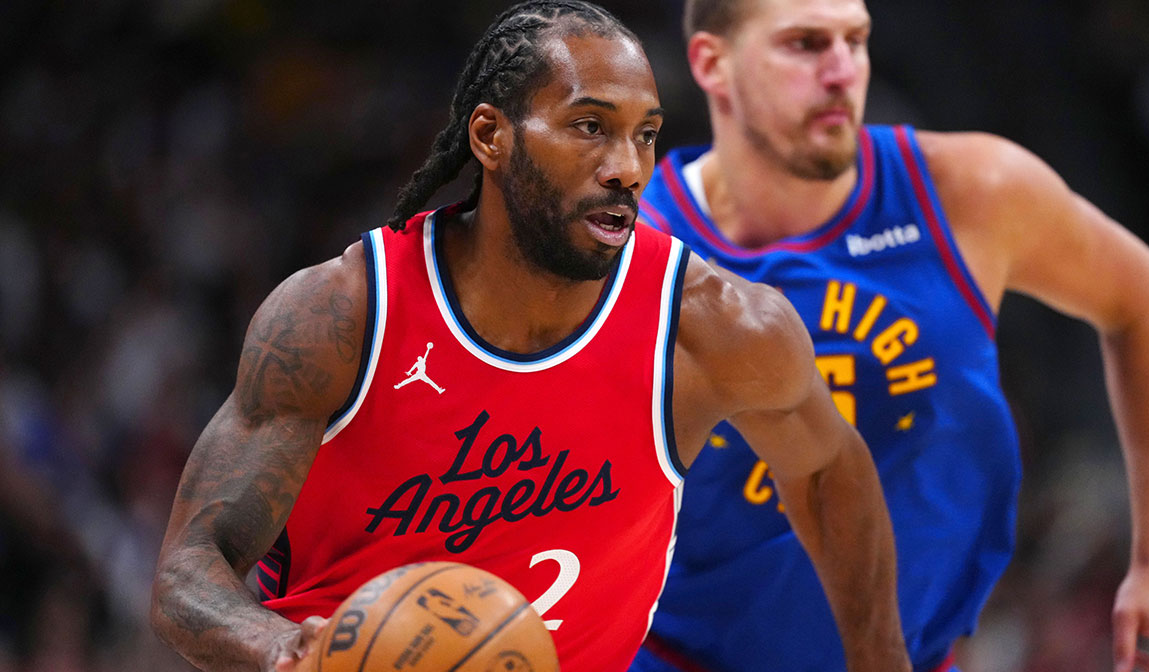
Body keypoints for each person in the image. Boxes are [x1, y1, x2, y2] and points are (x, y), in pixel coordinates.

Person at [148, 2, 913, 671]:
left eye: (645, 135)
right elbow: (189, 569)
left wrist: (882, 660)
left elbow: (828, 470)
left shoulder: (712, 327)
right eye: (590, 127)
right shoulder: (344, 317)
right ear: (491, 136)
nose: (626, 167)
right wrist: (285, 651)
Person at [628, 0, 1149, 671]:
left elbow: (1141, 297)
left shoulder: (971, 191)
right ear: (711, 63)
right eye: (805, 44)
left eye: (855, 40)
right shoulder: (632, 249)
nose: (841, 71)